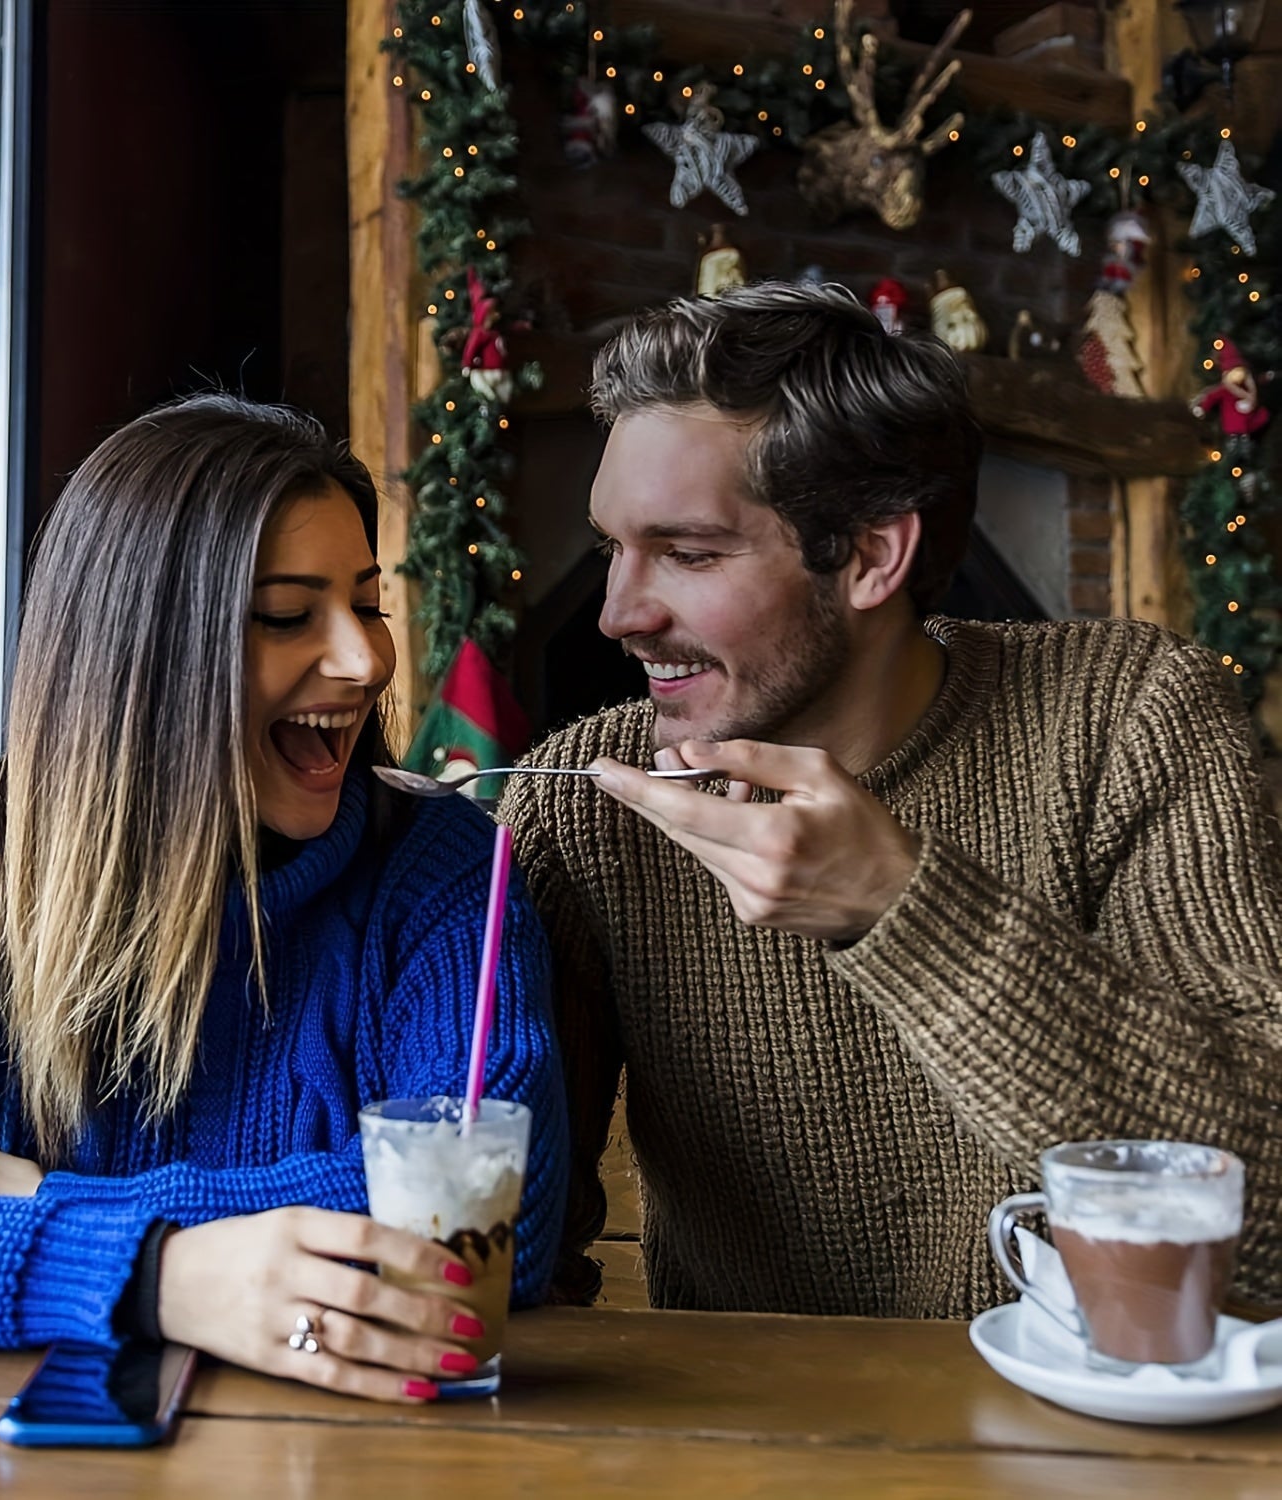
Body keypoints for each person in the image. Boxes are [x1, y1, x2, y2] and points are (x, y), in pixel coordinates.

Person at [499, 281, 1282, 1318]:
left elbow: (1264, 1214)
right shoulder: (583, 807)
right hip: (739, 1416)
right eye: (612, 547)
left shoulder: (1126, 716)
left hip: (1072, 1410)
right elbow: (508, 1239)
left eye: (686, 553)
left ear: (872, 555)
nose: (617, 613)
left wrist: (902, 908)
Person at [0, 394, 567, 1404]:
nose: (368, 660)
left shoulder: (443, 865)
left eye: (369, 604)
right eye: (288, 614)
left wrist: (45, 1199)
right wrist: (159, 1275)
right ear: (144, 653)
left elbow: (498, 1213)